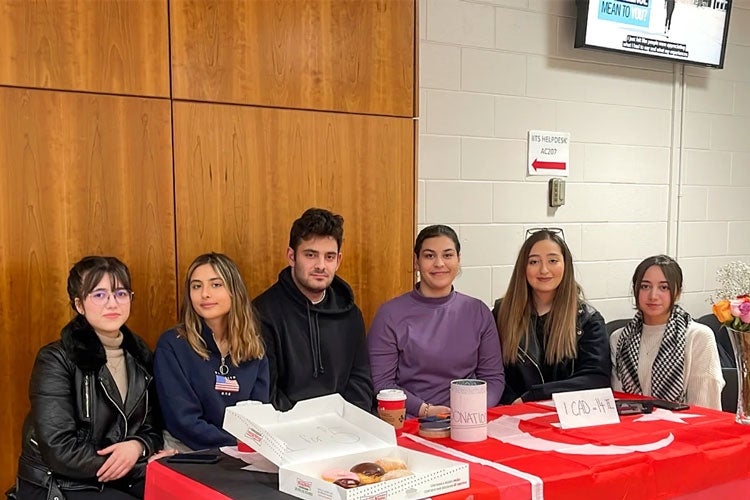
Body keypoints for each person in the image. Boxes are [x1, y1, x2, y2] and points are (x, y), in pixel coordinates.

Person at [15, 256, 164, 500]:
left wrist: (137, 446)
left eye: (121, 293)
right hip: (60, 482)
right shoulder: (56, 358)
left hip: (118, 477)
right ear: (79, 304)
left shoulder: (139, 355)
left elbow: (152, 428)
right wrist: (137, 466)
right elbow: (59, 449)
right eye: (99, 294)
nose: (112, 303)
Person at [367, 225, 505, 418]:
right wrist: (425, 410)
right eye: (429, 256)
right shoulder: (390, 314)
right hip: (409, 420)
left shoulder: (478, 312)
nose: (439, 263)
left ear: (459, 260)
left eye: (448, 255)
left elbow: (493, 378)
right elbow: (381, 382)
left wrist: (468, 410)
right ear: (416, 261)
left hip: (468, 418)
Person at [253, 208, 373, 412]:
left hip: (345, 430)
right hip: (288, 430)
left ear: (338, 260)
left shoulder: (350, 314)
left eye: (329, 257)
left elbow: (361, 382)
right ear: (291, 256)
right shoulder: (262, 313)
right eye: (311, 255)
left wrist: (347, 422)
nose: (321, 265)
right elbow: (267, 391)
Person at [154, 253, 269, 451]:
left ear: (234, 291)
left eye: (216, 285)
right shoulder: (173, 345)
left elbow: (258, 416)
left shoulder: (253, 347)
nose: (205, 294)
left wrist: (247, 447)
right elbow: (183, 422)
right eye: (196, 286)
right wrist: (235, 446)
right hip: (188, 449)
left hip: (243, 452)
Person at [494, 228, 610, 404]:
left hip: (566, 417)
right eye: (534, 262)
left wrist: (533, 396)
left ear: (566, 265)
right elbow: (490, 372)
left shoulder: (587, 320)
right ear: (523, 268)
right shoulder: (501, 313)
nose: (544, 269)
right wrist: (512, 404)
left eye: (553, 260)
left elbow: (595, 379)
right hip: (512, 416)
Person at [611, 255, 724, 409]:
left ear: (677, 292)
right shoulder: (619, 338)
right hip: (632, 428)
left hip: (685, 428)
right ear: (635, 290)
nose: (653, 296)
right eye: (645, 286)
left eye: (664, 287)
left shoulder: (698, 336)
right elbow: (619, 401)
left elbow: (705, 406)